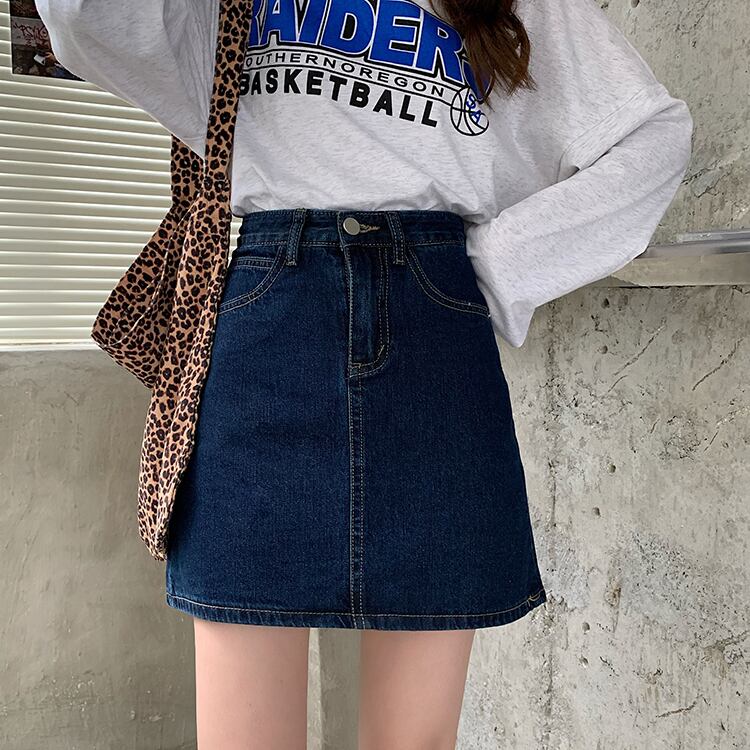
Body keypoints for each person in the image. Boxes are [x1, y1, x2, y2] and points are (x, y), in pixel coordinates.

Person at [36, 0, 693, 747]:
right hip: (269, 318)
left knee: (414, 741)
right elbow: (82, 16)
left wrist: (499, 266)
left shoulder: (515, 8)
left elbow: (653, 135)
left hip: (435, 328)